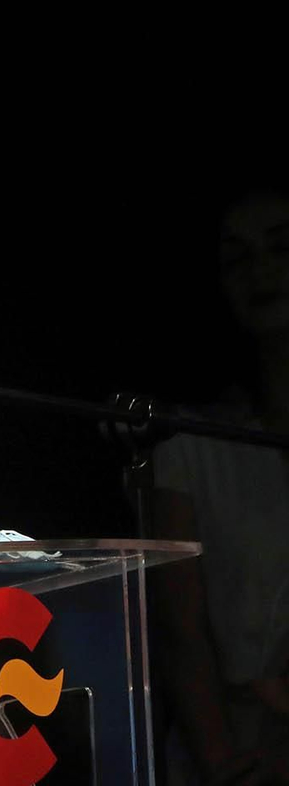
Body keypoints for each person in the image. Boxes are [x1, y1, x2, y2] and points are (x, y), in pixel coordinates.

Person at [151, 185, 289, 786]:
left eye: (281, 248)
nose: (261, 271)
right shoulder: (191, 445)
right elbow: (182, 630)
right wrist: (220, 760)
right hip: (238, 749)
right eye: (238, 258)